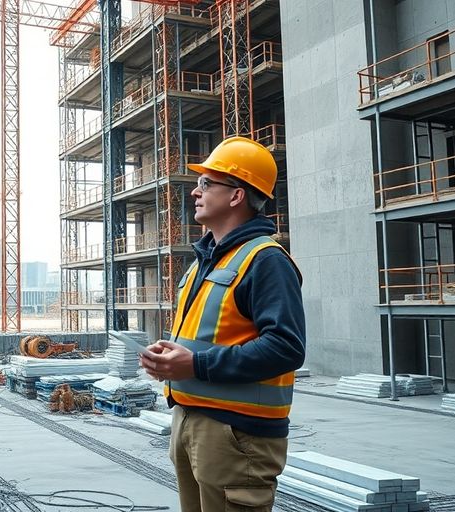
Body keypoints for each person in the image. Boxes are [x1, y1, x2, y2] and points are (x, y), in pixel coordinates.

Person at [139, 136, 306, 512]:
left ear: (236, 196)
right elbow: (205, 334)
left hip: (237, 434)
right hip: (189, 418)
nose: (196, 192)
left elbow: (286, 346)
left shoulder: (265, 259)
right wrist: (166, 359)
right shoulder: (205, 261)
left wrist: (195, 364)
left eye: (206, 183)